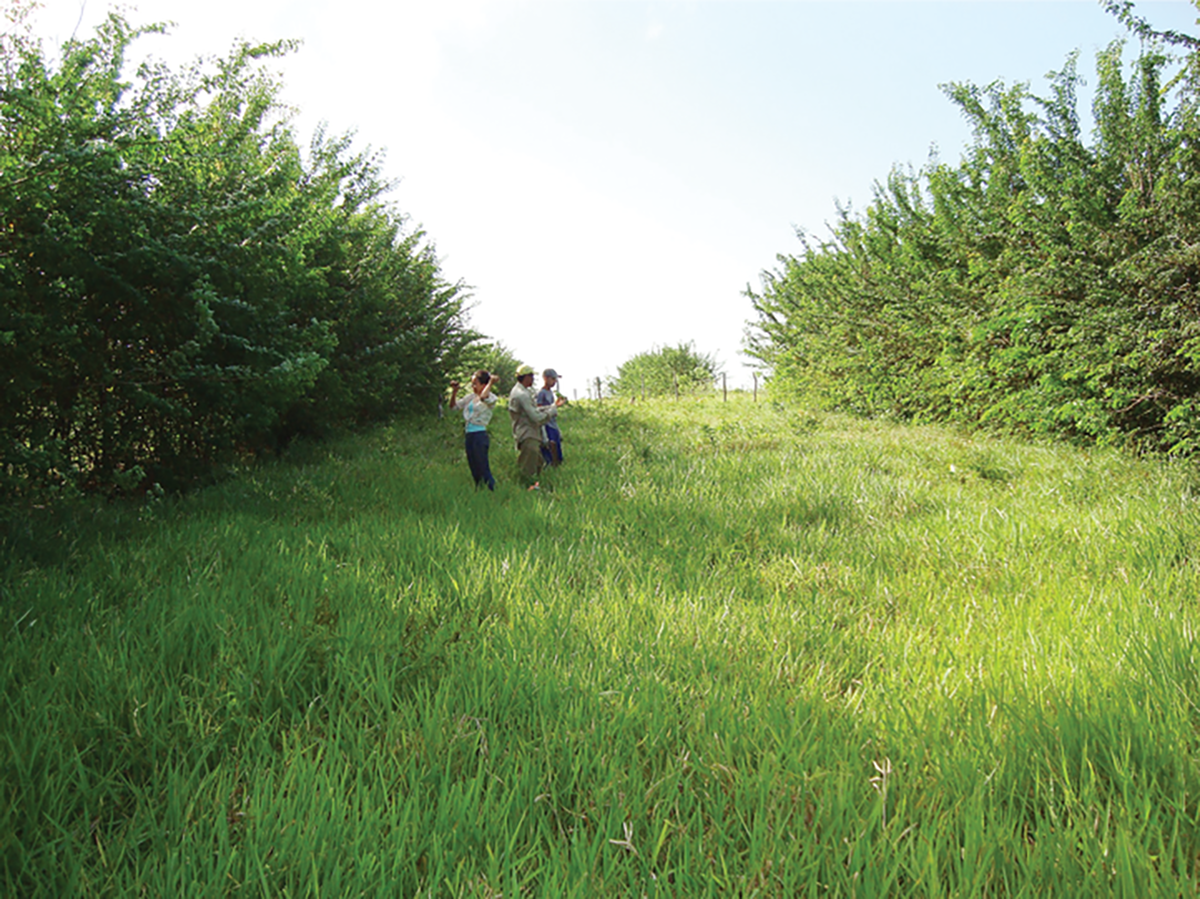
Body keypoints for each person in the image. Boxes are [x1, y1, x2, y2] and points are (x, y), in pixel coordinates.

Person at [509, 363, 563, 489]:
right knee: (528, 468)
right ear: (525, 377)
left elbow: (535, 410)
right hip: (527, 434)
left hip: (531, 433)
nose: (533, 379)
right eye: (532, 376)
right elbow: (536, 417)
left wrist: (552, 407)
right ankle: (525, 491)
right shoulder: (521, 394)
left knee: (538, 463)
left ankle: (533, 488)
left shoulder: (523, 392)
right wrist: (551, 412)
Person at [448, 370, 497, 491]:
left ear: (483, 384)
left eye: (475, 383)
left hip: (479, 435)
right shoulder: (470, 398)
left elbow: (484, 397)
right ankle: (480, 490)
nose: (473, 387)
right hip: (469, 435)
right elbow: (453, 407)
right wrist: (455, 391)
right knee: (474, 467)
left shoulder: (491, 397)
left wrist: (490, 382)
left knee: (482, 466)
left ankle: (492, 490)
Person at [537, 368, 564, 466]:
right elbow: (539, 409)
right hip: (546, 424)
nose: (554, 382)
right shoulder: (541, 393)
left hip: (553, 423)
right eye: (552, 379)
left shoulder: (550, 393)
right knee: (549, 445)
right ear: (545, 378)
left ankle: (557, 463)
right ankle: (550, 463)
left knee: (557, 445)